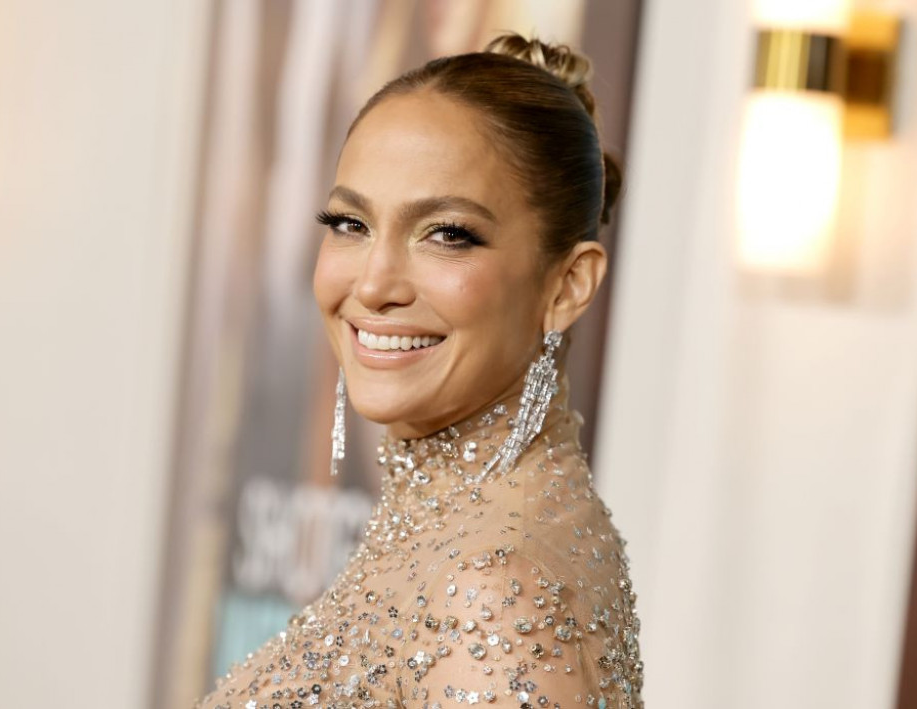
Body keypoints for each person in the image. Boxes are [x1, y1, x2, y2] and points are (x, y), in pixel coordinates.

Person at [196, 31, 644, 709]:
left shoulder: (497, 594)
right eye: (350, 223)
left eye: (447, 234)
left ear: (568, 285)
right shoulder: (456, 526)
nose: (374, 284)